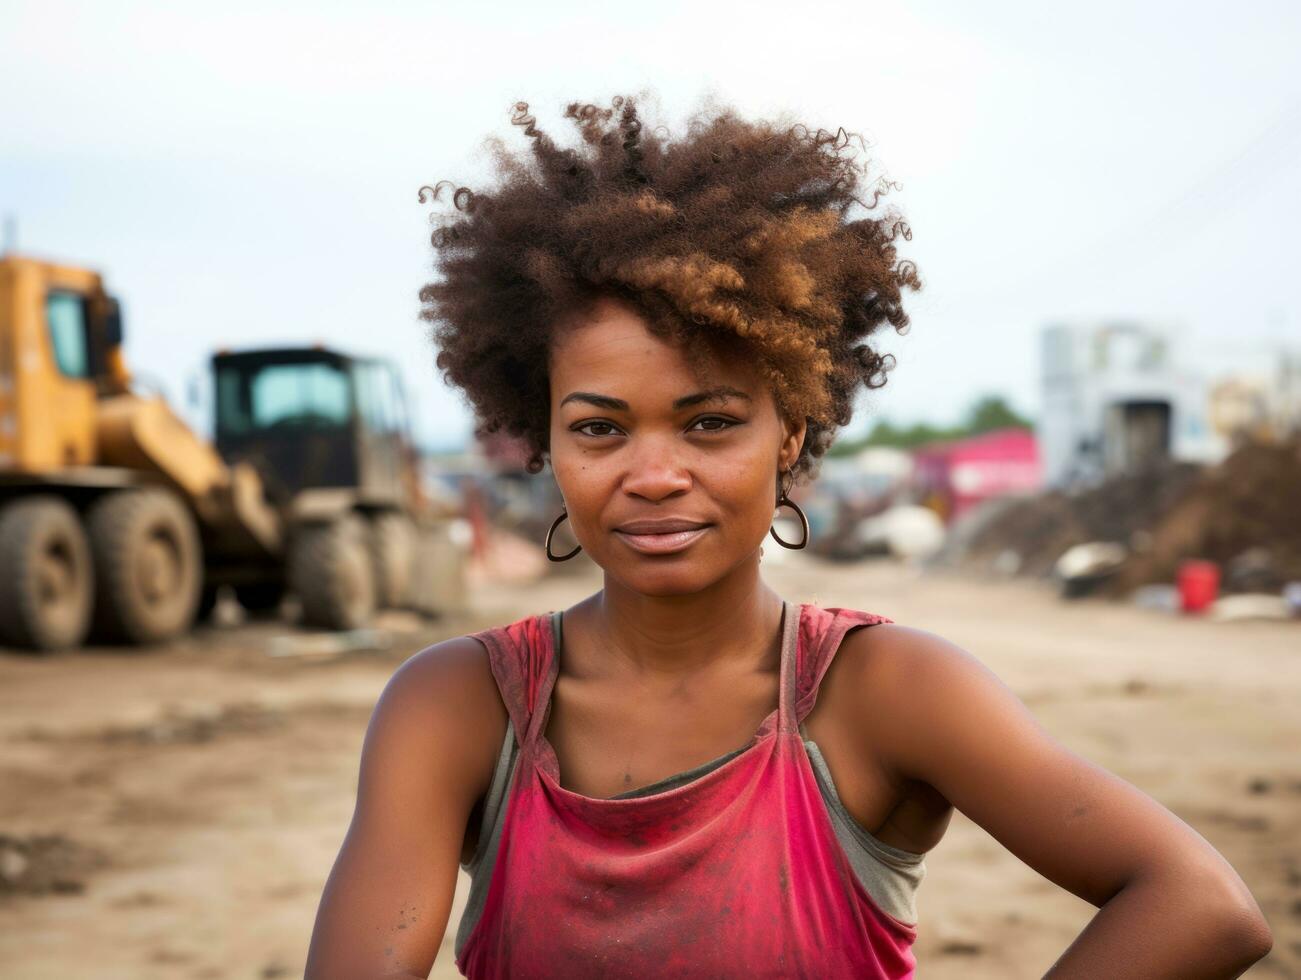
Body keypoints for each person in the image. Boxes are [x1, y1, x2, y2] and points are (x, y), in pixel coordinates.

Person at [304, 95, 1273, 979]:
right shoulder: (454, 706)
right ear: (545, 438)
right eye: (598, 426)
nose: (652, 472)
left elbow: (1199, 902)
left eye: (710, 421)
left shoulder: (884, 691)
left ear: (792, 434)